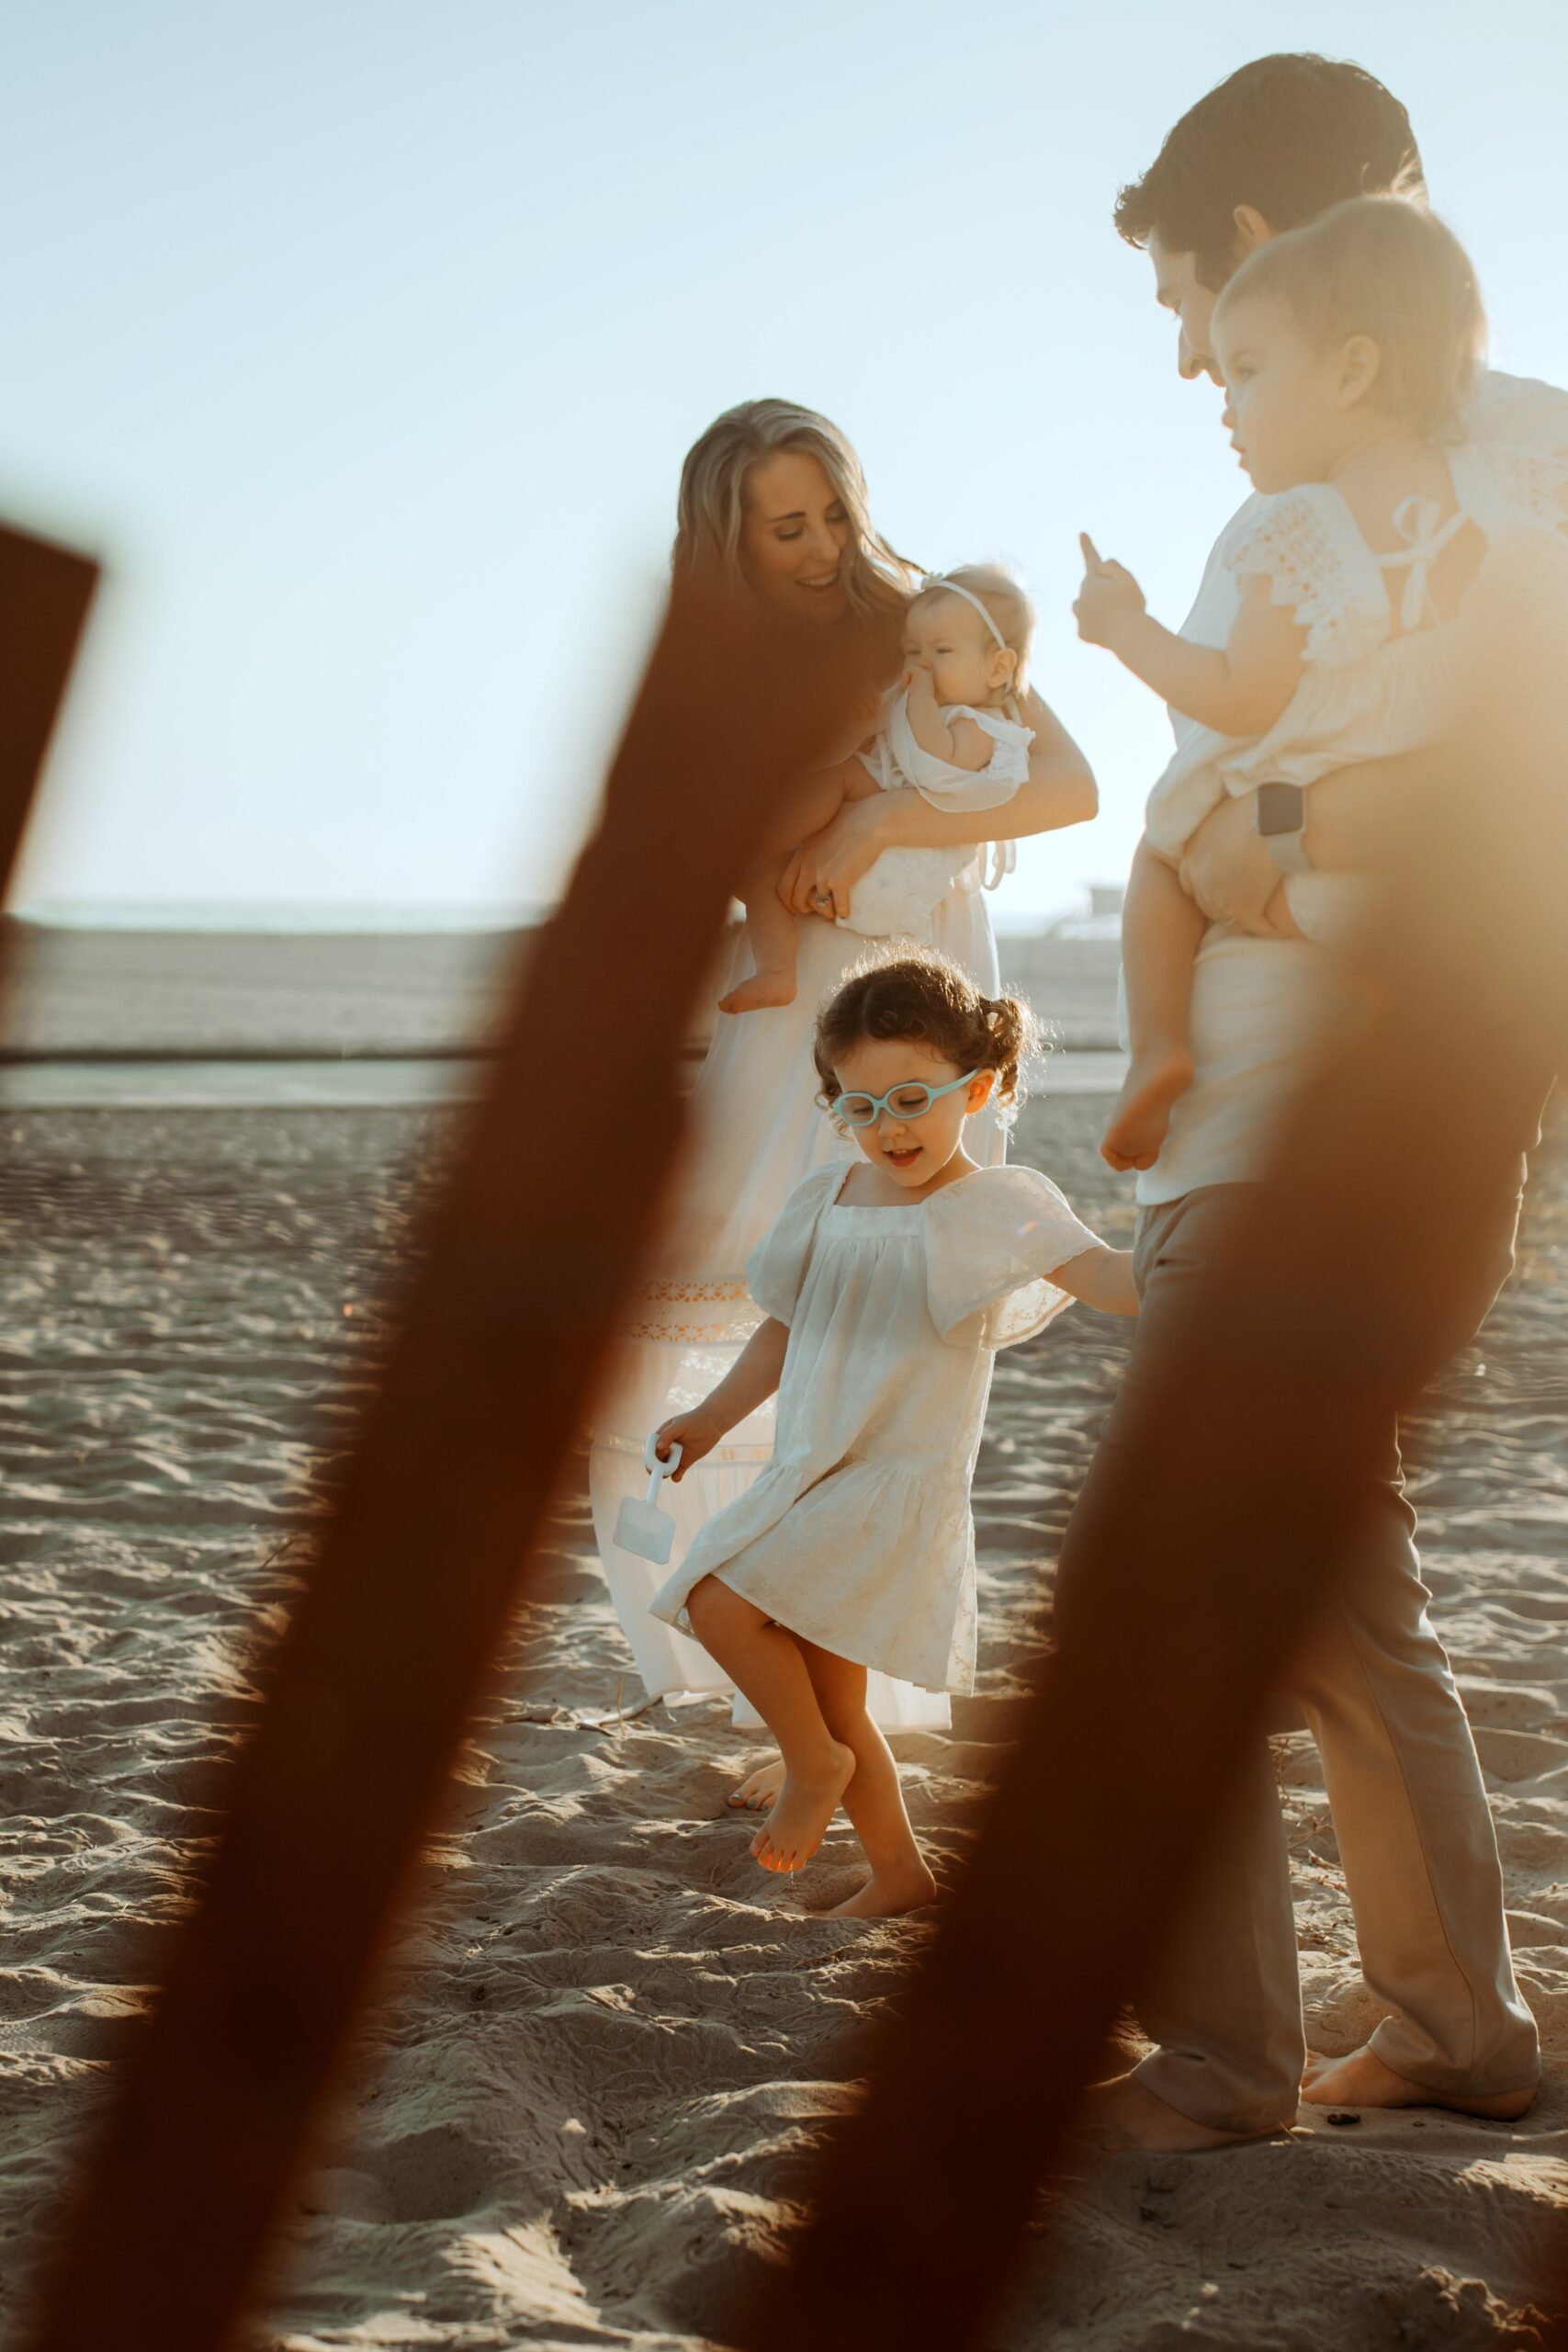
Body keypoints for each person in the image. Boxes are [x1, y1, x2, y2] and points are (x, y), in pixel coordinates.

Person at [1063, 52, 1568, 2154]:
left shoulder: (1480, 483)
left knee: (1167, 1575)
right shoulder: (1374, 480)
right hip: (1320, 1122)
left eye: (1194, 305)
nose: (1184, 356)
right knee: (1327, 1576)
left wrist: (1274, 822)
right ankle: (1446, 2016)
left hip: (1330, 1129)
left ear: (1265, 256)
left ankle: (1208, 2063)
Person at [586, 399, 1096, 1804]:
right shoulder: (716, 665)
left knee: (895, 1328)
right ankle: (745, 1678)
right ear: (725, 539)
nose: (818, 551)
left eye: (829, 517)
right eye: (783, 528)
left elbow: (1067, 785)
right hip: (782, 1000)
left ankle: (857, 1697)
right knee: (750, 1295)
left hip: (921, 986)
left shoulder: (932, 622)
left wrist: (879, 818)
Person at [1075, 195, 1568, 1173]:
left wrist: (1126, 631)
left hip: (1302, 861)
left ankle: (1154, 1051)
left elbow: (1242, 696)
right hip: (1423, 888)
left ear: (1352, 368)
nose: (1223, 399)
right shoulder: (1502, 498)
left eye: (1249, 372)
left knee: (1158, 860)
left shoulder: (1295, 524)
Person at [647, 954, 1135, 1917]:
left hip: (895, 1479)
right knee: (835, 1700)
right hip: (811, 1466)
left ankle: (812, 1766)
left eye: (912, 1098)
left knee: (715, 1599)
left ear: (981, 1086)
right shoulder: (825, 1201)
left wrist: (1203, 1228)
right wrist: (710, 1417)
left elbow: (1116, 1283)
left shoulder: (997, 1207)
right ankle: (901, 1870)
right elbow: (786, 1327)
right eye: (859, 1107)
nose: (889, 1128)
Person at [720, 568, 1035, 1014]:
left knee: (839, 779)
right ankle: (776, 970)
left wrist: (919, 697)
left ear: (998, 666)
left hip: (897, 866)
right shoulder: (935, 703)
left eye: (941, 651)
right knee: (764, 879)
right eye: (912, 651)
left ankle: (750, 846)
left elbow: (936, 762)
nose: (921, 664)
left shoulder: (988, 726)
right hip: (863, 837)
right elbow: (887, 738)